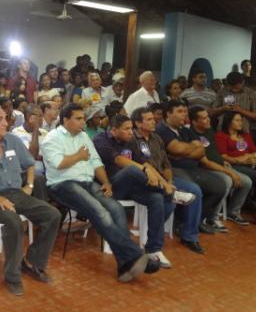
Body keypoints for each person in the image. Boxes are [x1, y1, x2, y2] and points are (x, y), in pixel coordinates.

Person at [42, 103, 159, 282]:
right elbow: (58, 163)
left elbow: (96, 162)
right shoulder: (52, 138)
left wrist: (106, 182)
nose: (83, 122)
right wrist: (79, 156)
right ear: (65, 120)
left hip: (88, 183)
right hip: (63, 185)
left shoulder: (83, 136)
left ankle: (125, 264)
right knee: (100, 212)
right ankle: (136, 254)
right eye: (78, 118)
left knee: (116, 209)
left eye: (83, 118)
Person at [0, 104, 60, 296]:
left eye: (5, 118)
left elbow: (30, 164)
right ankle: (12, 276)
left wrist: (29, 186)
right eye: (0, 119)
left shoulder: (12, 140)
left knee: (52, 215)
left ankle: (32, 262)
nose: (6, 122)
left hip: (16, 194)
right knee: (14, 222)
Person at [94, 115, 190, 268]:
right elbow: (119, 160)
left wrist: (164, 182)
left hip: (133, 186)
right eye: (126, 129)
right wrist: (145, 170)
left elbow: (145, 163)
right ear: (113, 130)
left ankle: (153, 249)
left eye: (131, 128)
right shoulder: (101, 140)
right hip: (112, 187)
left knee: (156, 198)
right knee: (132, 170)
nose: (131, 132)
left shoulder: (130, 141)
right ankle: (173, 194)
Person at [130, 107, 205, 253]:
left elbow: (166, 164)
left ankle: (190, 236)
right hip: (145, 180)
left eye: (154, 118)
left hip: (164, 180)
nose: (154, 122)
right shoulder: (133, 139)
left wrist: (169, 181)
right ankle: (153, 242)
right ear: (138, 124)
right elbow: (140, 165)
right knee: (167, 202)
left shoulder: (157, 138)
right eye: (149, 119)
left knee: (194, 191)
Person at [155, 100, 228, 234]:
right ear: (168, 114)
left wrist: (184, 152)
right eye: (180, 112)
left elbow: (201, 151)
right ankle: (184, 227)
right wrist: (187, 149)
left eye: (185, 112)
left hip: (193, 168)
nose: (184, 115)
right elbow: (176, 148)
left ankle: (197, 220)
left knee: (219, 186)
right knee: (194, 189)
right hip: (173, 170)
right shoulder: (162, 130)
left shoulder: (184, 130)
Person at [188, 106, 253, 226]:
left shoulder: (209, 130)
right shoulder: (191, 135)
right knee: (227, 181)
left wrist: (223, 162)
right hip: (206, 168)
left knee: (247, 182)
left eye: (208, 116)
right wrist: (229, 172)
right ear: (194, 122)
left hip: (220, 165)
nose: (208, 120)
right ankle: (213, 218)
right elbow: (205, 162)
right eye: (204, 118)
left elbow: (215, 151)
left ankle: (233, 212)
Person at [215, 111, 256, 228]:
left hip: (250, 163)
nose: (241, 123)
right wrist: (240, 159)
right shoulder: (221, 136)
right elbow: (222, 156)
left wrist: (252, 158)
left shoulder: (246, 135)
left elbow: (255, 151)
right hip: (234, 165)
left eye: (241, 120)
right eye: (237, 120)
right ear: (229, 122)